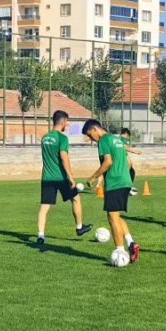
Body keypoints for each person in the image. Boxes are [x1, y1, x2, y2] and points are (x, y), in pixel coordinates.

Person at [84, 120, 140, 264]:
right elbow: (128, 162)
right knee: (116, 215)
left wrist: (93, 177)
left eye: (91, 135)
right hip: (125, 180)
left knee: (112, 217)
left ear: (95, 129)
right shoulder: (117, 139)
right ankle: (131, 243)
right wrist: (123, 175)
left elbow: (107, 162)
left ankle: (120, 251)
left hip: (115, 182)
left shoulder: (103, 140)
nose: (92, 139)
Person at [36, 110, 92, 246]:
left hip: (47, 178)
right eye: (67, 121)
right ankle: (79, 227)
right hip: (60, 177)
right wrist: (70, 176)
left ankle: (41, 235)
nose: (68, 124)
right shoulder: (62, 138)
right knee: (76, 199)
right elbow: (64, 157)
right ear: (62, 122)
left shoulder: (45, 137)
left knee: (44, 207)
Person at [121, 128, 142, 196]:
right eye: (128, 137)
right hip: (121, 161)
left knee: (131, 172)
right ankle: (126, 188)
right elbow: (125, 147)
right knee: (129, 173)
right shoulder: (122, 139)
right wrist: (135, 151)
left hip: (121, 160)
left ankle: (128, 187)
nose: (127, 139)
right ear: (126, 134)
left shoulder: (118, 139)